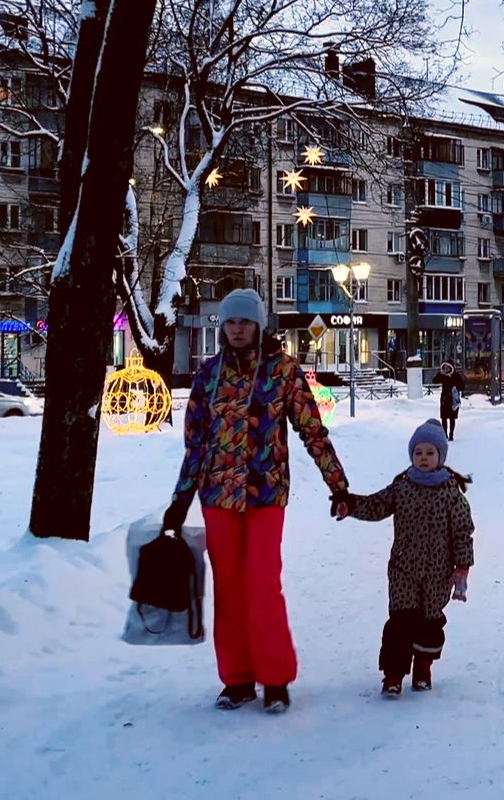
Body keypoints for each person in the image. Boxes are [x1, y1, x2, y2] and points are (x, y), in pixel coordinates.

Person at [162, 288, 352, 715]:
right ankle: (238, 679)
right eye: (231, 322)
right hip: (217, 496)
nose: (237, 329)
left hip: (265, 494)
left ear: (259, 324)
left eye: (245, 322)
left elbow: (312, 431)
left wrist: (337, 485)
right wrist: (179, 503)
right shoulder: (207, 376)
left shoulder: (282, 372)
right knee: (229, 589)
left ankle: (276, 678)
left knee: (262, 585)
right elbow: (195, 446)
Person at [337, 420, 475, 699]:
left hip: (438, 572)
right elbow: (377, 505)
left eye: (430, 453)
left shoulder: (451, 492)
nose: (423, 458)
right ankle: (393, 674)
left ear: (441, 457)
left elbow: (463, 532)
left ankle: (423, 667)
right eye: (418, 453)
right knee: (400, 621)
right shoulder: (402, 486)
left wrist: (462, 568)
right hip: (403, 568)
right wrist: (350, 504)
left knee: (430, 621)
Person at [435, 361, 466, 440]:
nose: (446, 369)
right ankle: (445, 434)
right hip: (444, 400)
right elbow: (434, 381)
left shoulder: (456, 376)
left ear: (451, 367)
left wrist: (455, 388)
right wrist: (440, 373)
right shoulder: (443, 376)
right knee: (444, 418)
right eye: (445, 367)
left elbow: (462, 386)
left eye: (448, 367)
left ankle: (451, 434)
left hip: (453, 400)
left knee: (452, 418)